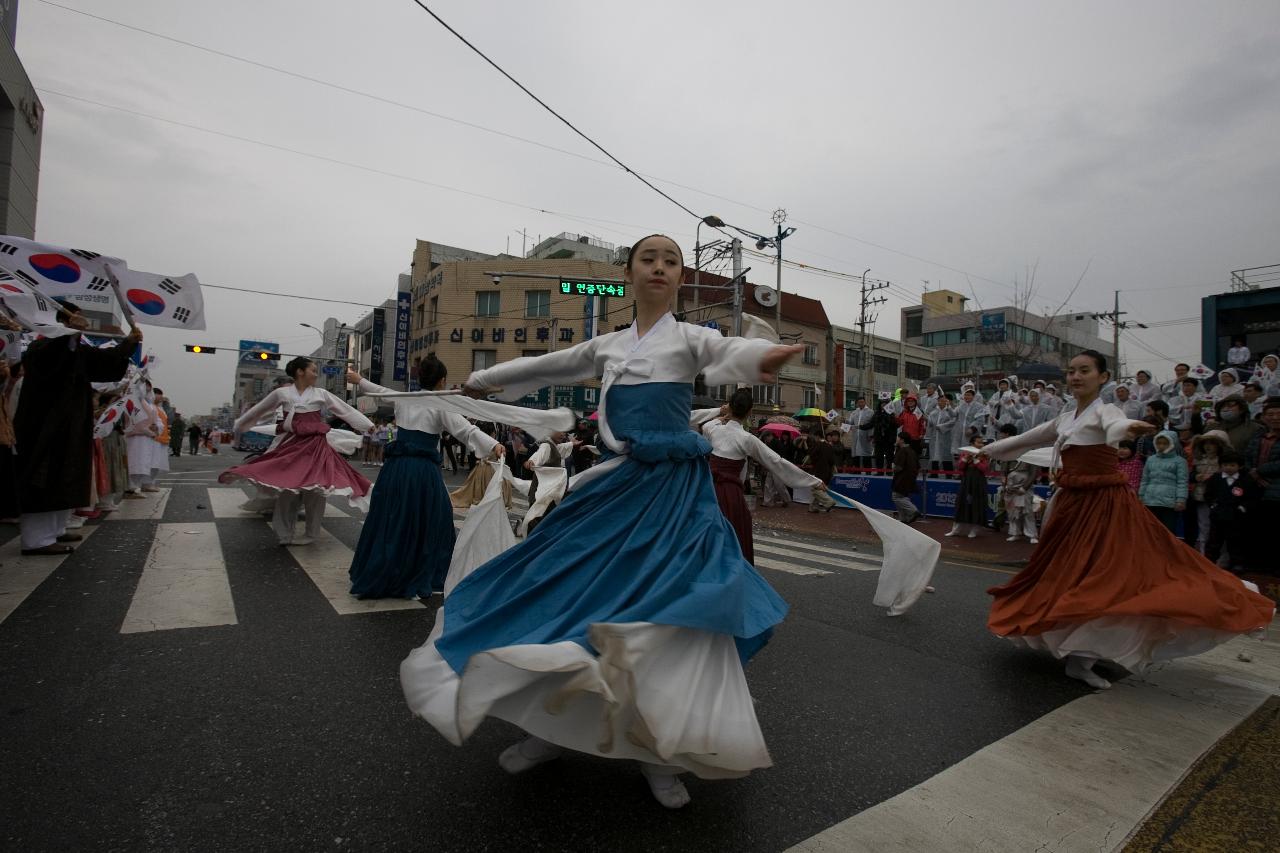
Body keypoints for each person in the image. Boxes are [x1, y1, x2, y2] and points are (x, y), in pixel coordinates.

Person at [399, 234, 800, 808]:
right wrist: (486, 381)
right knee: (571, 598)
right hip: (616, 488)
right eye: (649, 259)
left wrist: (766, 358)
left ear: (680, 277)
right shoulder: (608, 347)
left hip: (675, 499)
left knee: (662, 621)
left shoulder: (691, 338)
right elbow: (546, 365)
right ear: (630, 272)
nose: (660, 267)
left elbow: (728, 353)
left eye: (671, 260)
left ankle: (655, 754)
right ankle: (549, 730)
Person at [980, 351, 1273, 690]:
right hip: (1070, 506)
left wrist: (1128, 428)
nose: (1076, 377)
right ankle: (1080, 650)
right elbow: (1024, 440)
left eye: (1085, 371)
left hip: (1104, 507)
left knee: (1109, 576)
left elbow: (1114, 425)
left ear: (1103, 377)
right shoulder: (1065, 418)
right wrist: (987, 451)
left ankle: (1084, 655)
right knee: (1069, 575)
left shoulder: (1108, 410)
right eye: (1071, 371)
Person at [346, 358, 503, 600]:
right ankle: (420, 571)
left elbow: (378, 390)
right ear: (441, 380)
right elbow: (466, 430)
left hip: (396, 470)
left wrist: (357, 379)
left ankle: (385, 570)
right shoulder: (440, 405)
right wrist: (493, 445)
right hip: (422, 472)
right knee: (434, 519)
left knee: (391, 518)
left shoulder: (405, 399)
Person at [14, 306, 140, 554]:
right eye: (70, 319)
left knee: (66, 478)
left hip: (71, 425)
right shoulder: (42, 345)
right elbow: (52, 358)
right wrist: (70, 332)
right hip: (45, 427)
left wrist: (128, 344)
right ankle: (36, 540)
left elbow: (103, 363)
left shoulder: (76, 348)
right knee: (45, 479)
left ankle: (56, 529)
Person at [220, 356, 373, 546]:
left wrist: (367, 426)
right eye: (313, 370)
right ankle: (284, 533)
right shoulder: (282, 394)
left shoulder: (321, 394)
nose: (316, 374)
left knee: (316, 491)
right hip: (291, 446)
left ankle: (311, 533)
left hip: (316, 447)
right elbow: (258, 411)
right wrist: (240, 425)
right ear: (300, 372)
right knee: (287, 489)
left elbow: (345, 410)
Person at [695, 390, 824, 561]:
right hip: (730, 494)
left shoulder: (712, 429)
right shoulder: (747, 438)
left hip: (707, 490)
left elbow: (704, 424)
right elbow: (776, 462)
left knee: (704, 537)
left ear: (729, 407)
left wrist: (720, 413)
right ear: (750, 412)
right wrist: (813, 481)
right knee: (733, 537)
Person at [1243, 398, 1280, 574]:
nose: (1275, 418)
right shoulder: (1259, 436)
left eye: (1278, 414)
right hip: (1256, 489)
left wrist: (1259, 471)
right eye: (1270, 414)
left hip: (1276, 490)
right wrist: (1254, 473)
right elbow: (1248, 457)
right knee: (1257, 531)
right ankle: (1258, 570)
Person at [1204, 451, 1256, 572]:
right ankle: (1208, 563)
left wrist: (1242, 508)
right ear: (1221, 466)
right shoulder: (1215, 479)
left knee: (1235, 542)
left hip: (1236, 518)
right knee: (1213, 541)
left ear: (1239, 466)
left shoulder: (1246, 480)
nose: (1228, 468)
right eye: (1225, 465)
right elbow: (1208, 494)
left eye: (1232, 465)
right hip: (1218, 517)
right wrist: (1213, 505)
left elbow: (1252, 497)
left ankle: (1237, 564)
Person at [1186, 430, 1228, 553]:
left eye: (1212, 443)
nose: (1208, 446)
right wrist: (1196, 477)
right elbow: (1191, 475)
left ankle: (1222, 557)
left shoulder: (1224, 461)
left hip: (1220, 499)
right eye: (1206, 443)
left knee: (1221, 528)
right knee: (1203, 526)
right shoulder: (1198, 459)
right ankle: (1205, 555)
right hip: (1201, 497)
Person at [1139, 430, 1187, 532]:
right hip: (1150, 500)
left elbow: (1182, 482)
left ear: (1172, 444)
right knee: (1150, 530)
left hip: (1169, 502)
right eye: (1159, 443)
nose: (1161, 446)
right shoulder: (1150, 459)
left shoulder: (1180, 461)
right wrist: (1141, 496)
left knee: (1167, 531)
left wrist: (1181, 500)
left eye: (1165, 443)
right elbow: (1145, 479)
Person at [947, 437, 990, 538]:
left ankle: (974, 530)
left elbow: (984, 469)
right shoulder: (965, 453)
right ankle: (956, 530)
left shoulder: (984, 455)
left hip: (978, 482)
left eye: (981, 443)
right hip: (966, 482)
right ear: (972, 443)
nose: (981, 444)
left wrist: (976, 460)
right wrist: (966, 458)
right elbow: (960, 467)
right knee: (962, 504)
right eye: (978, 442)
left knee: (976, 505)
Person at [890, 430, 922, 524]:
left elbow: (898, 467)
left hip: (901, 479)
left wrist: (893, 467)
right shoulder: (912, 451)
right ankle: (903, 518)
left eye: (898, 438)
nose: (897, 439)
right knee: (903, 497)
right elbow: (918, 467)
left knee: (896, 497)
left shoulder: (902, 451)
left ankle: (913, 511)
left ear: (902, 440)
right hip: (911, 478)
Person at [803, 425, 838, 513]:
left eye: (814, 437)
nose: (813, 439)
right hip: (828, 472)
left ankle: (829, 502)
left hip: (818, 470)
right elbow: (832, 461)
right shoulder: (829, 446)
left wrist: (806, 462)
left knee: (816, 490)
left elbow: (811, 454)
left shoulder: (817, 444)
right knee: (819, 489)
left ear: (817, 436)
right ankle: (813, 507)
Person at [926, 393, 956, 477]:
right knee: (934, 455)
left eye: (943, 401)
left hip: (946, 437)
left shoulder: (950, 411)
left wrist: (941, 427)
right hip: (935, 437)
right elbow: (930, 424)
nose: (941, 402)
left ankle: (949, 474)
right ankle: (934, 473)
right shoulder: (933, 412)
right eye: (939, 401)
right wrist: (930, 423)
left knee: (946, 456)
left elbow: (953, 421)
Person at [847, 396, 874, 469]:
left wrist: (871, 435)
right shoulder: (854, 412)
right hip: (856, 435)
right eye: (859, 402)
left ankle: (868, 472)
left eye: (862, 402)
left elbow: (872, 425)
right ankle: (857, 472)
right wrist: (845, 420)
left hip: (865, 436)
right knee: (856, 455)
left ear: (865, 402)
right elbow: (850, 422)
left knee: (866, 455)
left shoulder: (870, 411)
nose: (861, 404)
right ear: (857, 403)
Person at [871, 398, 897, 472]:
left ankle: (889, 471)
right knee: (879, 455)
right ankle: (879, 471)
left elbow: (896, 425)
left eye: (886, 404)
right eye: (882, 404)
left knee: (889, 456)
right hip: (879, 438)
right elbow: (871, 424)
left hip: (889, 438)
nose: (884, 405)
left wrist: (892, 416)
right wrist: (860, 426)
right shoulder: (876, 413)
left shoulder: (892, 414)